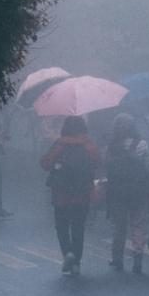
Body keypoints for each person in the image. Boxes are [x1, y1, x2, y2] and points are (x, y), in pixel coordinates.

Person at [41, 115, 100, 276]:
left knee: (61, 225)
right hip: (82, 193)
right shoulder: (89, 145)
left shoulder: (60, 144)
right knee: (78, 227)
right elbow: (97, 163)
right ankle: (76, 263)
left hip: (61, 194)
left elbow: (46, 164)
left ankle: (67, 253)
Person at [104, 113, 149, 273]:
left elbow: (106, 168)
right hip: (139, 191)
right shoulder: (142, 145)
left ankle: (117, 259)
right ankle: (138, 258)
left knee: (119, 226)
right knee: (138, 225)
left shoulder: (111, 146)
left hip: (117, 192)